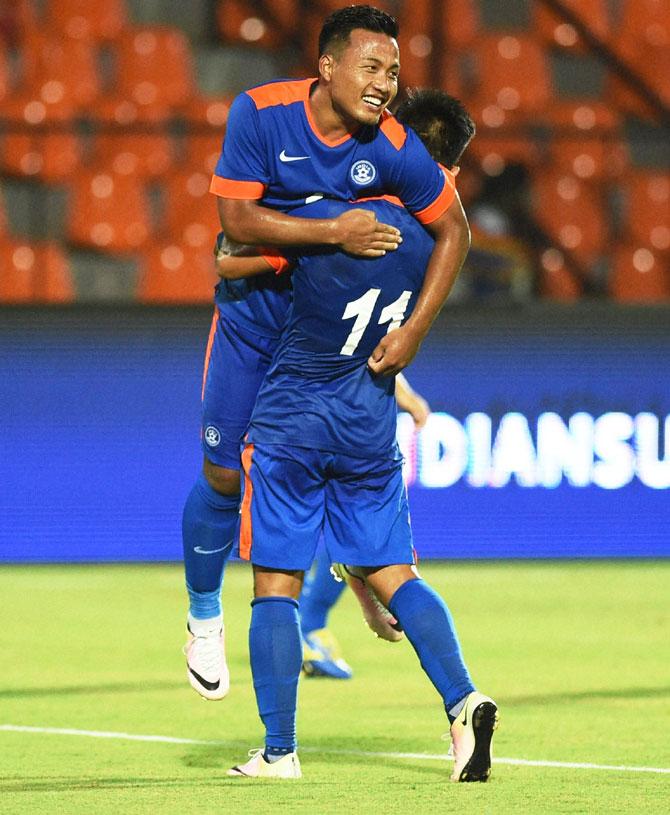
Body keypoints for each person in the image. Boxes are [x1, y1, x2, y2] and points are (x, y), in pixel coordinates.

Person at [182, 4, 467, 699]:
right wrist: (332, 232)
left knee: (329, 478)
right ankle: (202, 614)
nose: (384, 83)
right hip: (254, 326)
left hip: (318, 346)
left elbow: (451, 232)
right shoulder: (263, 113)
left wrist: (411, 338)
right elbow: (234, 229)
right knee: (223, 475)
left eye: (394, 72)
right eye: (371, 67)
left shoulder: (397, 154)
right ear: (329, 66)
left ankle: (341, 618)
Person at [223, 90, 498, 784]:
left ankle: (280, 750)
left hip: (292, 420)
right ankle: (464, 701)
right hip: (369, 427)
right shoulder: (437, 245)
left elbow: (232, 252)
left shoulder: (339, 218)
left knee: (275, 585)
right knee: (398, 573)